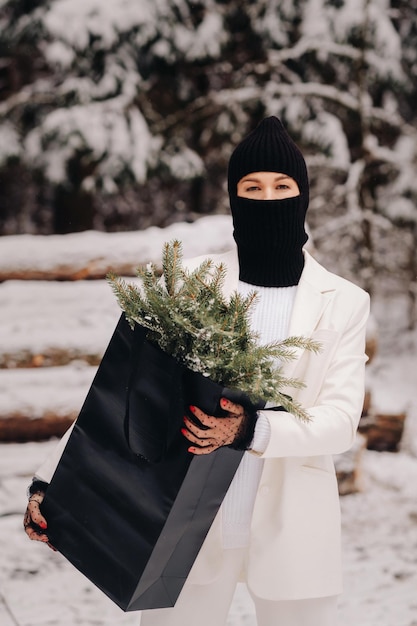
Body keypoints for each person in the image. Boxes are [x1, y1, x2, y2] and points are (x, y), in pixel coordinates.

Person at [24, 116, 370, 626]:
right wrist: (50, 482)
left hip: (293, 529)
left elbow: (340, 420)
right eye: (252, 187)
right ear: (233, 198)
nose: (268, 198)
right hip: (183, 525)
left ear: (303, 195)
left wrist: (251, 429)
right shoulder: (192, 280)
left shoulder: (343, 301)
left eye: (282, 186)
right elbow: (122, 390)